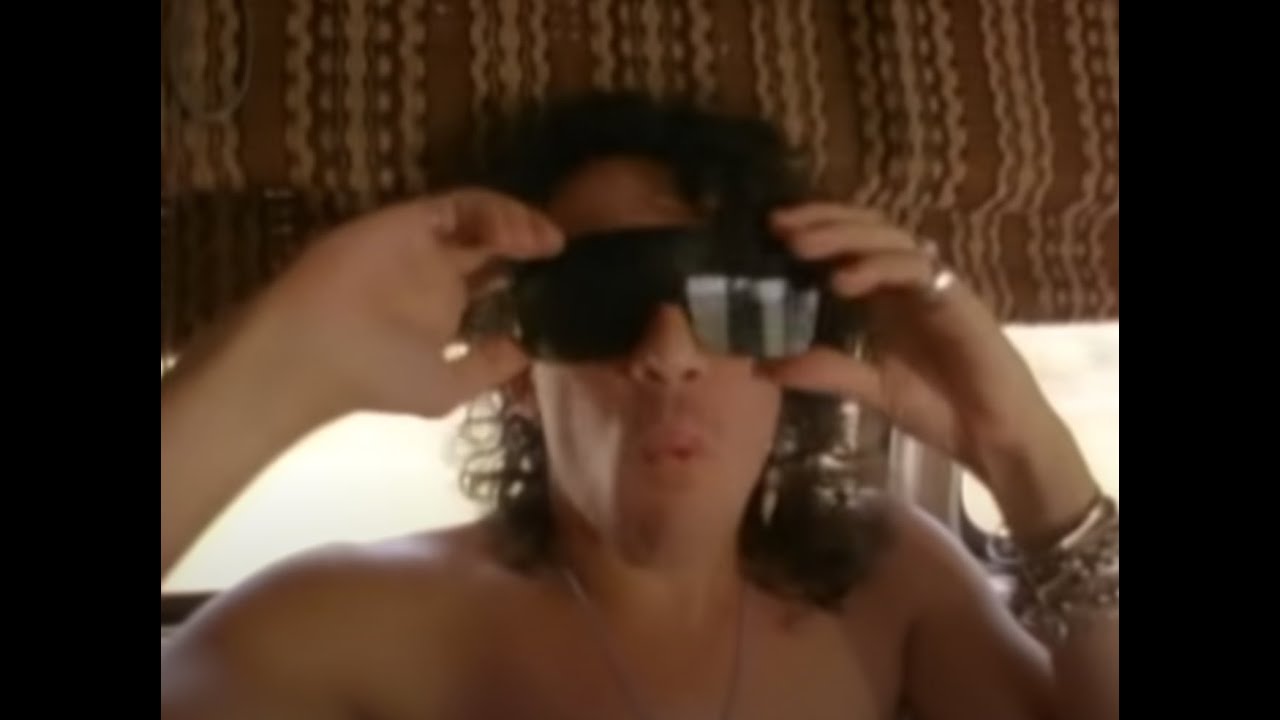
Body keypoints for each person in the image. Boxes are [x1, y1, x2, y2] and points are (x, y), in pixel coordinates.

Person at [160, 92, 1117, 719]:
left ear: (800, 344)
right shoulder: (356, 622)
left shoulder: (894, 580)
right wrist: (273, 366)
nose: (667, 356)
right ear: (519, 368)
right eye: (599, 302)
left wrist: (1027, 454)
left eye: (733, 306)